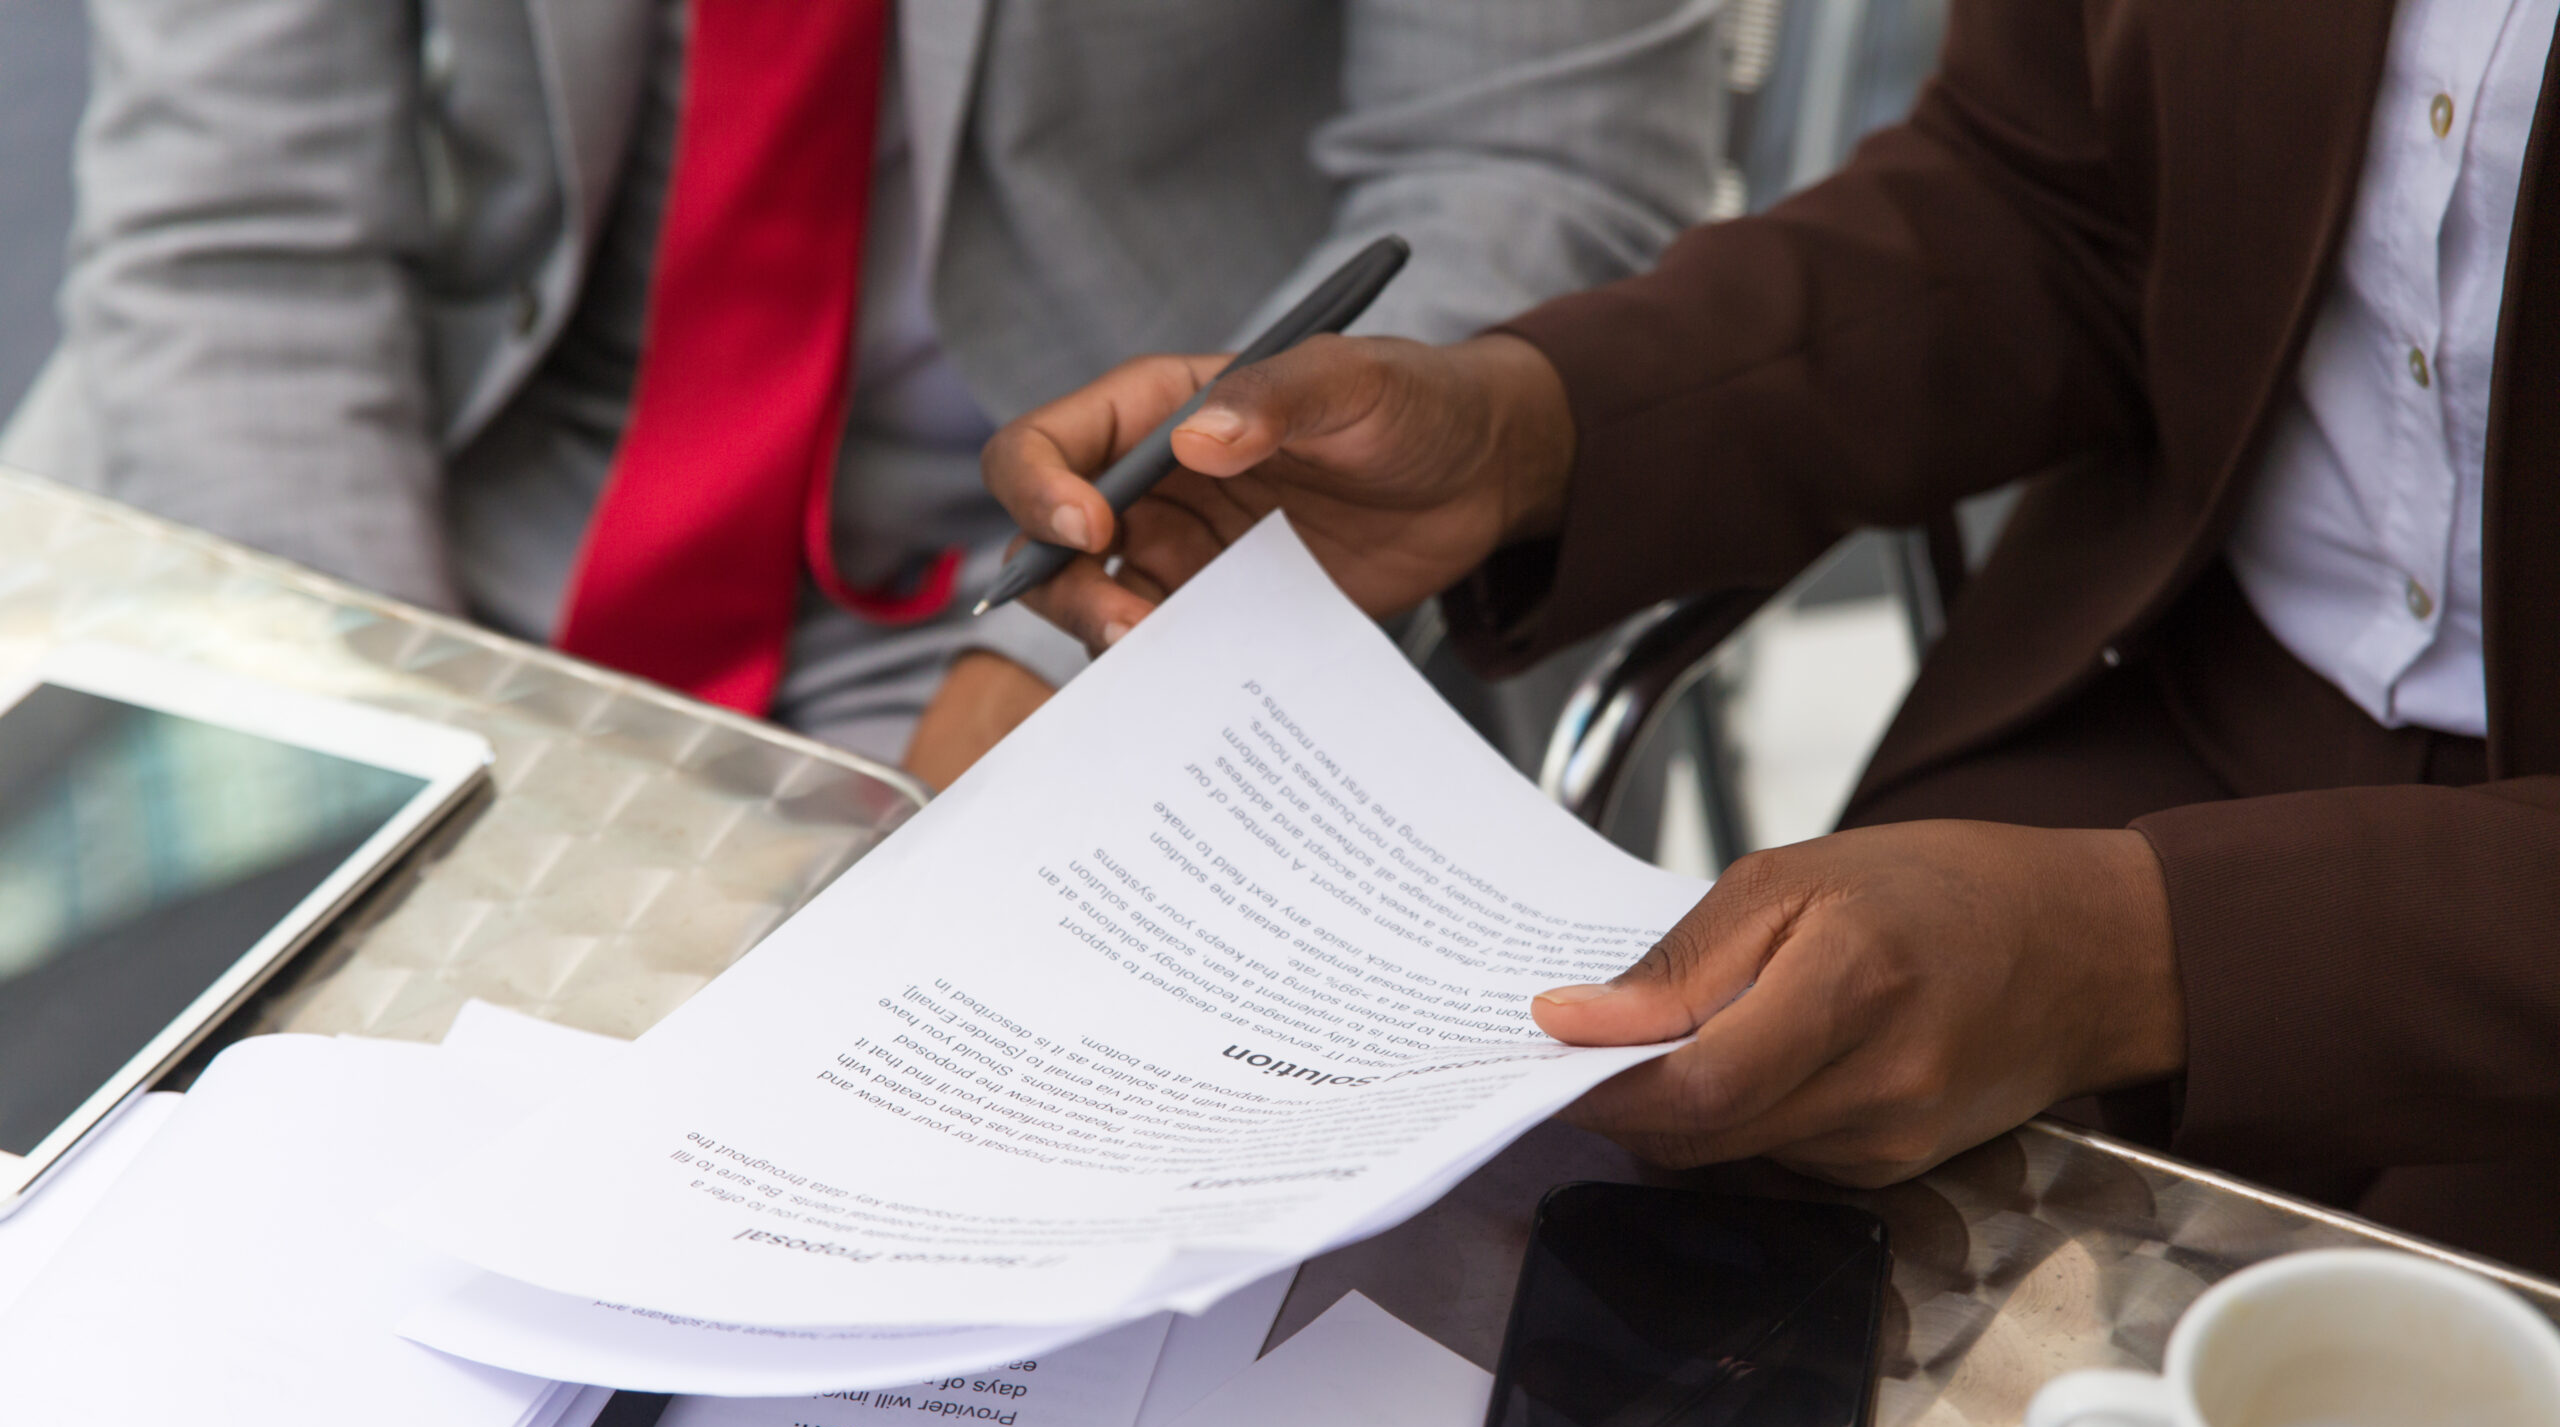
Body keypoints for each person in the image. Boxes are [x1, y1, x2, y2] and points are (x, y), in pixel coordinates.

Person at [986, 0, 2560, 1274]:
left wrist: (2130, 955)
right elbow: (2055, 199)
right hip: (2141, 732)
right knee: (1590, 1327)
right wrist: (1530, 428)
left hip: (2438, 971)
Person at [0, 0, 1727, 785]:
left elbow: (1531, 172)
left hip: (1098, 529)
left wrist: (1070, 627)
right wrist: (391, 730)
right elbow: (235, 223)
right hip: (446, 446)